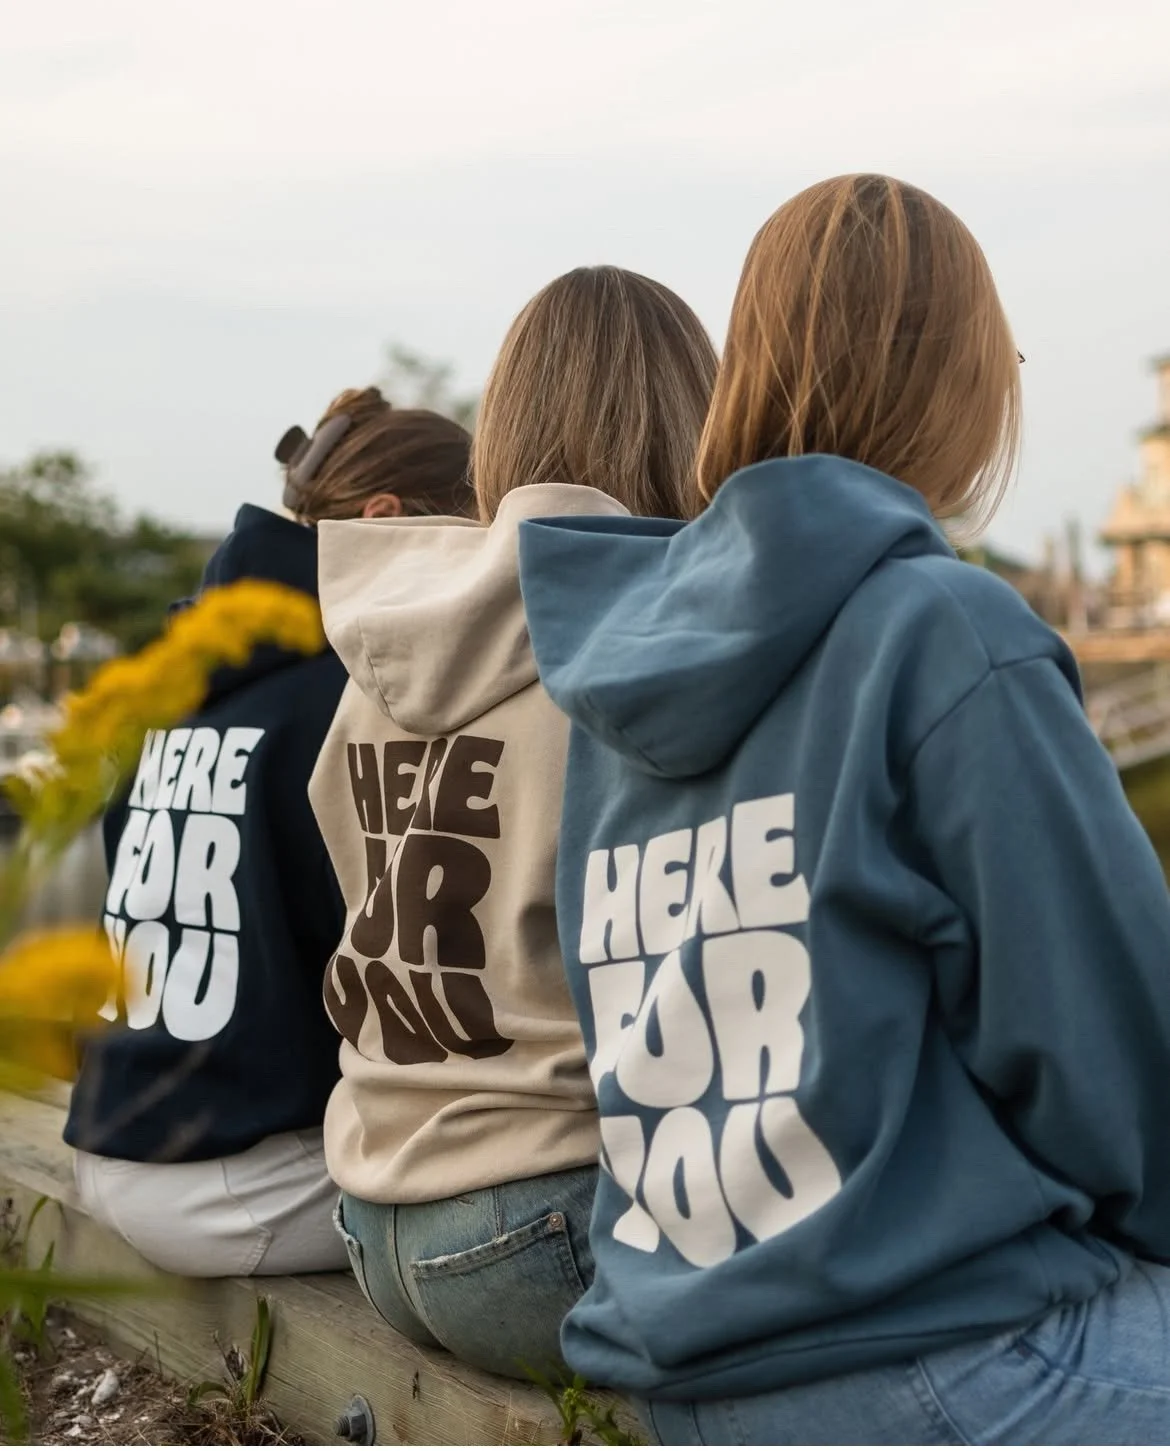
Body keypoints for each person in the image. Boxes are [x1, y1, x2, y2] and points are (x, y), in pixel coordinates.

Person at [517, 175, 1170, 1444]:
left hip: (687, 1369)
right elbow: (1112, 1057)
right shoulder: (948, 630)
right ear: (962, 384)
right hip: (930, 1355)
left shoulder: (612, 660)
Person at [311, 267, 717, 1377]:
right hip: (546, 1224)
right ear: (692, 419)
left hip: (373, 1217)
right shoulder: (645, 648)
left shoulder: (382, 636)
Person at [65, 387, 473, 1277]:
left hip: (112, 1144)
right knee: (519, 1172)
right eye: (467, 537)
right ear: (384, 519)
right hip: (237, 1182)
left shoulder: (175, 674)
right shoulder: (348, 697)